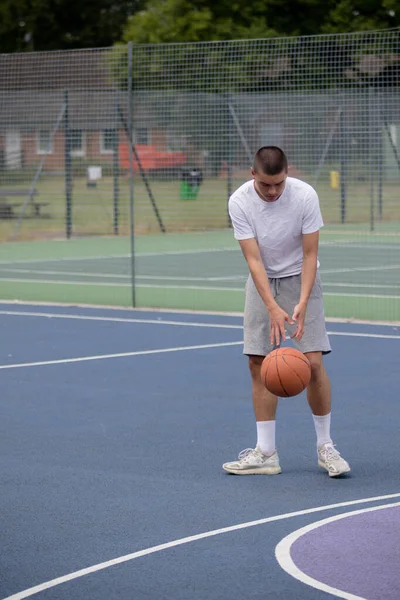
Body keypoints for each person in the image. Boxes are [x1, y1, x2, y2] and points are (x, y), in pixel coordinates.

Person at [223, 146, 350, 478]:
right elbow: (253, 260)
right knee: (258, 362)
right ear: (253, 175)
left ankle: (326, 447)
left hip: (301, 277)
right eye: (266, 184)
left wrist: (303, 300)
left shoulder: (305, 196)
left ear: (287, 174)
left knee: (313, 362)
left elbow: (310, 254)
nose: (273, 191)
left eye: (279, 183)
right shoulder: (238, 202)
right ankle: (266, 453)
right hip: (263, 280)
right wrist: (272, 306)